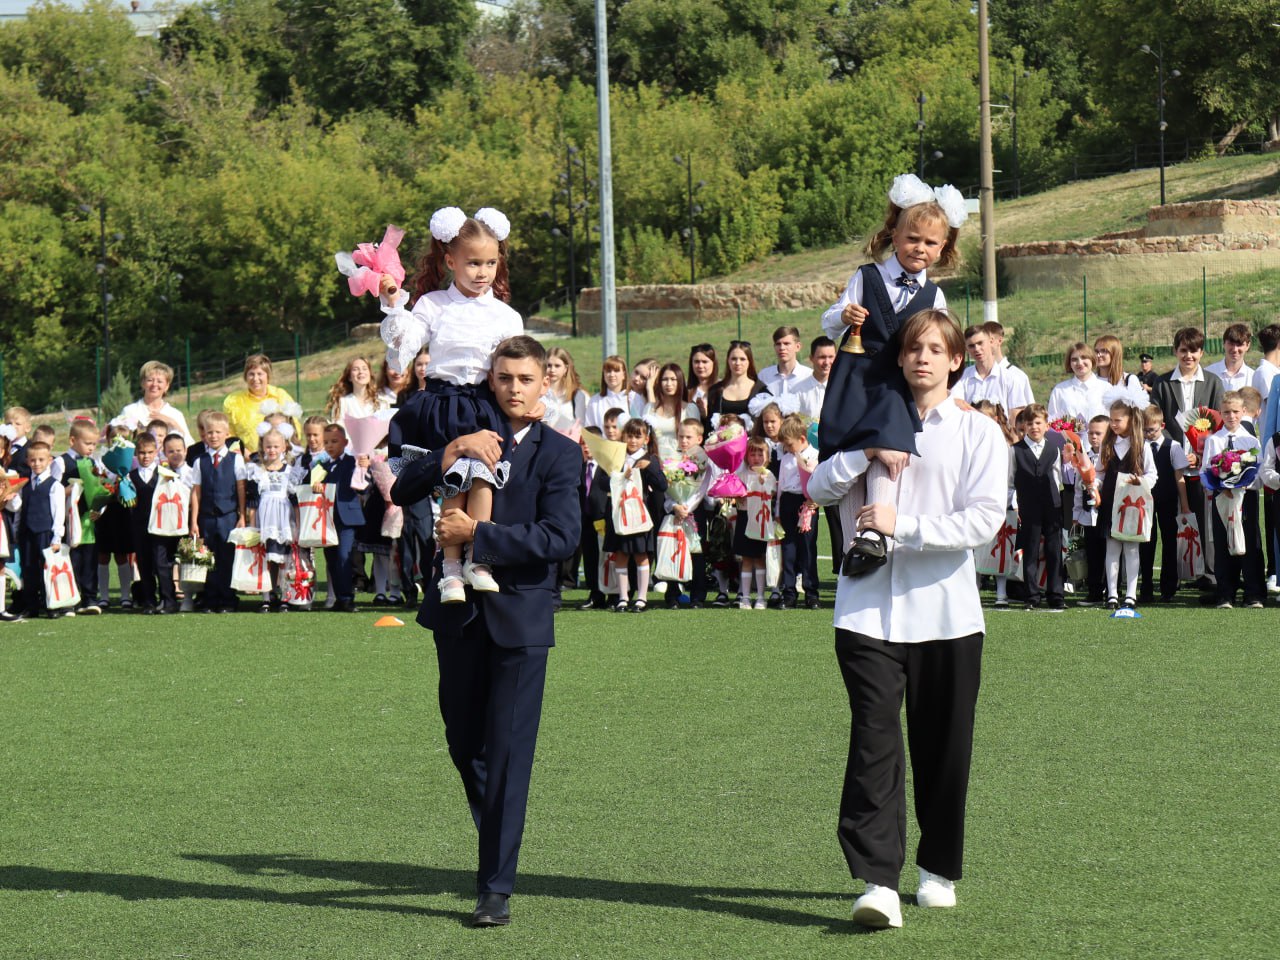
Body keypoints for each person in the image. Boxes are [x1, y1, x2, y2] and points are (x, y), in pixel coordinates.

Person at [807, 308, 1006, 930]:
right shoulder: (866, 418)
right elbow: (816, 490)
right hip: (865, 613)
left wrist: (905, 526)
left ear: (956, 361)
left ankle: (938, 866)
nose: (922, 358)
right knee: (874, 744)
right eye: (913, 347)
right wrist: (860, 453)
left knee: (943, 750)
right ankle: (877, 881)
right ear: (898, 357)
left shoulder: (979, 434)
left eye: (936, 350)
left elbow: (983, 521)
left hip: (948, 616)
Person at [390, 335, 580, 928]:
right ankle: (495, 829)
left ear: (545, 382)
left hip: (521, 622)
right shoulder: (467, 435)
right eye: (504, 378)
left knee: (508, 756)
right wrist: (451, 450)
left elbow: (560, 538)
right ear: (490, 381)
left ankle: (494, 885)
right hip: (457, 617)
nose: (515, 389)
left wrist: (480, 534)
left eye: (526, 379)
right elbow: (401, 488)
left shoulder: (561, 454)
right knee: (464, 744)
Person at [818, 173, 967, 575]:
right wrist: (844, 315)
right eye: (912, 238)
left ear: (942, 249)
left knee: (889, 449)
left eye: (930, 243)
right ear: (894, 235)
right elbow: (829, 322)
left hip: (896, 386)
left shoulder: (934, 295)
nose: (919, 248)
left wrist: (953, 393)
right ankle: (853, 543)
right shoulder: (866, 277)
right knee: (848, 455)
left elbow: (942, 345)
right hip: (854, 379)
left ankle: (875, 536)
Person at [378, 206, 523, 604]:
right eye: (473, 262)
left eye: (491, 262)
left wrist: (527, 402)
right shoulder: (433, 305)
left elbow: (515, 366)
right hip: (443, 404)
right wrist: (394, 305)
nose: (482, 271)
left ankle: (480, 559)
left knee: (483, 478)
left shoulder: (506, 315)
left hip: (484, 404)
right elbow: (403, 347)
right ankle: (450, 572)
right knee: (453, 485)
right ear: (450, 260)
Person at [1202, 391, 1265, 608]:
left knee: (1248, 542)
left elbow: (1259, 471)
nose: (1231, 416)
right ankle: (1225, 594)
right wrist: (1221, 486)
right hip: (1222, 498)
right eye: (1227, 412)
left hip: (1245, 498)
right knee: (1222, 544)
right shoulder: (1213, 440)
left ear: (1244, 412)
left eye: (1236, 412)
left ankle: (1253, 593)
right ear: (1221, 413)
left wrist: (1242, 485)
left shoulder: (1251, 440)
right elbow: (1206, 471)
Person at [1097, 387, 1158, 610]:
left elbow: (1152, 475)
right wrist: (1094, 486)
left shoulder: (1142, 446)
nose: (1113, 424)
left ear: (1131, 419)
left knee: (1132, 549)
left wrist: (1139, 482)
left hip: (1133, 504)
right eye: (1111, 420)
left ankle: (1131, 594)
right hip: (1111, 503)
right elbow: (1099, 473)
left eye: (1118, 420)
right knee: (1112, 549)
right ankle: (1112, 593)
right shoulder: (1107, 444)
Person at [602, 418, 665, 613]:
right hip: (618, 514)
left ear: (646, 438)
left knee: (640, 554)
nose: (633, 440)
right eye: (629, 435)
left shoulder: (649, 459)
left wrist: (649, 467)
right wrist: (619, 476)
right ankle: (622, 597)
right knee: (620, 555)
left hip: (639, 516)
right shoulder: (616, 458)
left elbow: (662, 485)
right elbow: (603, 483)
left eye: (638, 436)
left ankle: (642, 598)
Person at [190, 412, 247, 613]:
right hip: (206, 518)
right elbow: (196, 491)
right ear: (204, 434)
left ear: (226, 434)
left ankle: (228, 600)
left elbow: (241, 488)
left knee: (227, 558)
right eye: (209, 432)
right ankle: (211, 599)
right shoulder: (200, 461)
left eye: (217, 432)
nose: (213, 436)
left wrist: (242, 516)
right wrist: (194, 521)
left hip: (228, 516)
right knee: (209, 559)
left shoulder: (235, 460)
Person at [1012, 404, 1066, 610]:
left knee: (1054, 551)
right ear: (1023, 426)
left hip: (1052, 505)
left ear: (1046, 425)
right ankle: (1032, 595)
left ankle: (1056, 594)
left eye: (1038, 423)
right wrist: (1014, 504)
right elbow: (1009, 481)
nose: (1034, 427)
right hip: (1028, 506)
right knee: (1031, 550)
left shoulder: (1054, 449)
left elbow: (1057, 476)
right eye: (1029, 423)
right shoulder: (1015, 451)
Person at [310, 423, 364, 612]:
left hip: (347, 517)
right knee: (331, 558)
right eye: (326, 442)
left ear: (345, 442)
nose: (330, 445)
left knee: (344, 556)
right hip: (327, 518)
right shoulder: (322, 465)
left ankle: (348, 598)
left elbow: (363, 482)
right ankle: (340, 599)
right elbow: (307, 484)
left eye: (334, 441)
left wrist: (363, 467)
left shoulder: (353, 462)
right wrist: (314, 485)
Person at [1139, 405, 1190, 604]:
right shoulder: (1140, 445)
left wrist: (1184, 505)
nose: (1149, 434)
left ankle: (1169, 587)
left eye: (1152, 429)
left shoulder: (1173, 446)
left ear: (1162, 425)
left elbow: (1180, 477)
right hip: (1145, 501)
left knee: (1170, 541)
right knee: (1146, 542)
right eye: (1145, 430)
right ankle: (1146, 587)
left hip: (1168, 500)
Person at [247, 429, 296, 612]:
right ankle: (266, 596)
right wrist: (253, 528)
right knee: (266, 559)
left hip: (283, 520)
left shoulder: (291, 471)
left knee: (284, 559)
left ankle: (285, 596)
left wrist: (296, 525)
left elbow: (295, 500)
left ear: (284, 446)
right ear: (262, 447)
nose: (272, 450)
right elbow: (253, 502)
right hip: (265, 521)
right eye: (268, 446)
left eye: (276, 446)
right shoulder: (257, 471)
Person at [18, 440, 67, 619]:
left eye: (41, 459)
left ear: (49, 460)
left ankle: (51, 605)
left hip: (45, 532)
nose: (37, 464)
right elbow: (19, 508)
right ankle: (32, 605)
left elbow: (58, 513)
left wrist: (57, 537)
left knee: (47, 569)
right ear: (27, 461)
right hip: (27, 532)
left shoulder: (55, 485)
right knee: (29, 568)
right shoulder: (24, 484)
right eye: (33, 460)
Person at [775, 414, 819, 610]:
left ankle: (811, 593)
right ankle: (789, 593)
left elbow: (820, 482)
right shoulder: (786, 459)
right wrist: (777, 508)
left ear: (802, 439)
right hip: (788, 501)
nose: (787, 449)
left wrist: (816, 500)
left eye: (790, 445)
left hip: (808, 503)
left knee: (808, 547)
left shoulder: (815, 455)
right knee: (789, 547)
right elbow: (781, 486)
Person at [61, 419, 104, 616]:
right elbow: (55, 491)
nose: (91, 448)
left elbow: (99, 489)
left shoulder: (93, 462)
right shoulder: (62, 462)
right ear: (72, 440)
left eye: (94, 444)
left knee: (89, 558)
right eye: (88, 443)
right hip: (69, 520)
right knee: (72, 559)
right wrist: (72, 489)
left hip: (88, 519)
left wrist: (99, 508)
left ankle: (89, 598)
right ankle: (70, 599)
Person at [952, 324, 1034, 423]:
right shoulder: (961, 377)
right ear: (966, 349)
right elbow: (956, 406)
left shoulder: (1010, 378)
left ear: (991, 341)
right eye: (971, 346)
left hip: (1002, 437)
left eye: (980, 343)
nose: (977, 349)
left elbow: (1015, 418)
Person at [223, 355, 301, 455]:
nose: (255, 378)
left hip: (280, 459)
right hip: (247, 461)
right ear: (245, 376)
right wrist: (246, 455)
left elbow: (294, 429)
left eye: (260, 374)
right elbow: (229, 435)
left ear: (267, 376)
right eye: (251, 374)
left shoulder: (280, 396)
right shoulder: (233, 401)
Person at [730, 436, 775, 610]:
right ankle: (746, 597)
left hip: (760, 520)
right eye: (752, 454)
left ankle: (761, 597)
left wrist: (763, 482)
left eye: (759, 454)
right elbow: (734, 493)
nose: (756, 458)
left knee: (759, 559)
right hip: (744, 518)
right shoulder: (741, 474)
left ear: (767, 456)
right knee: (746, 559)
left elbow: (771, 491)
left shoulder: (768, 474)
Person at [125, 433, 162, 614]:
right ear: (136, 454)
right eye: (141, 453)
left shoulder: (163, 473)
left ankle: (166, 598)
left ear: (156, 452)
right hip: (139, 526)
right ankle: (149, 600)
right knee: (144, 563)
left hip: (161, 526)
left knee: (161, 563)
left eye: (149, 452)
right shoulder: (130, 476)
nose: (145, 456)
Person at [120, 361, 194, 444]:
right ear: (143, 383)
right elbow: (118, 441)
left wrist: (172, 423)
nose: (154, 384)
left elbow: (189, 444)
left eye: (159, 381)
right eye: (150, 380)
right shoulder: (130, 411)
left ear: (167, 386)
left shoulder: (175, 414)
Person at [703, 341, 769, 431]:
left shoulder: (761, 391)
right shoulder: (715, 391)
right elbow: (709, 427)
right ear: (728, 361)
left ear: (749, 361)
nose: (737, 363)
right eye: (734, 359)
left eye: (742, 359)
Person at [641, 363, 699, 459]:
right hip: (655, 462)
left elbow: (695, 442)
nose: (668, 384)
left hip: (681, 464)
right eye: (665, 379)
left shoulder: (690, 409)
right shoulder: (649, 408)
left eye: (673, 379)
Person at [1046, 342, 1108, 424]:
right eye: (1074, 359)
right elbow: (1053, 422)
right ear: (1069, 364)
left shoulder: (1106, 388)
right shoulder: (1059, 390)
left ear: (1092, 359)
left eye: (1084, 357)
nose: (1079, 363)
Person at [325, 357, 388, 429]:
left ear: (370, 374)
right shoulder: (342, 402)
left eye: (364, 368)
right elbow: (337, 431)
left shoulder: (382, 402)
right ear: (349, 377)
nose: (361, 372)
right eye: (355, 369)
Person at [757, 325, 814, 396]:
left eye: (786, 344)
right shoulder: (764, 376)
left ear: (798, 347)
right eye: (778, 344)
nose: (782, 348)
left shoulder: (809, 376)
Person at [542, 346, 588, 430]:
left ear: (565, 369)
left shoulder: (577, 395)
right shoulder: (538, 394)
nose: (552, 370)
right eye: (549, 365)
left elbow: (583, 425)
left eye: (557, 366)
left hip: (570, 440)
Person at [584, 356, 634, 431]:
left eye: (616, 371)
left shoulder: (633, 398)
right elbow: (590, 429)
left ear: (624, 374)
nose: (612, 374)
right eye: (608, 371)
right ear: (603, 374)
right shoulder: (595, 401)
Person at [796, 336, 837, 420]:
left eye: (830, 357)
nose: (826, 362)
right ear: (811, 358)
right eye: (822, 357)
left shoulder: (843, 388)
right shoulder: (798, 391)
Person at [1206, 323, 1254, 392]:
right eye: (1231, 344)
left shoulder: (1253, 377)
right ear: (1223, 344)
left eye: (1239, 344)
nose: (1235, 349)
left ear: (1247, 346)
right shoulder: (1209, 374)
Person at [686, 343, 718, 420]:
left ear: (713, 363)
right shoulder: (685, 390)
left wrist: (706, 413)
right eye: (696, 362)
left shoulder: (721, 388)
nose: (700, 366)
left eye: (704, 362)